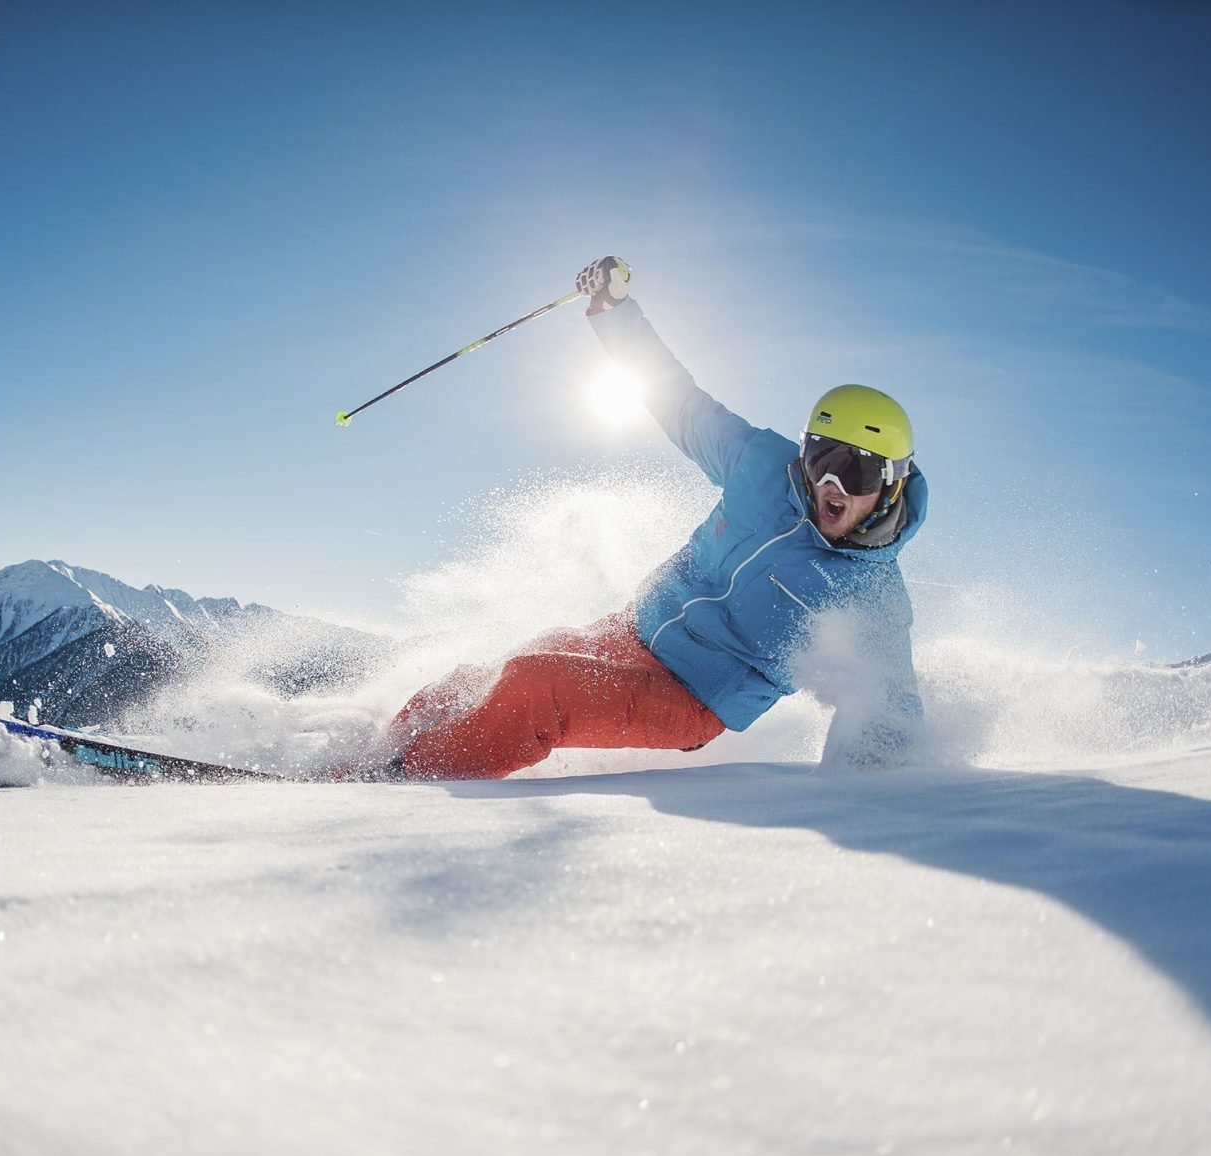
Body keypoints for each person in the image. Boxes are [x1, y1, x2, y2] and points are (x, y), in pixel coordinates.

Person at [380, 255, 928, 781]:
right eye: (821, 460)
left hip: (693, 695)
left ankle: (396, 781)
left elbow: (894, 709)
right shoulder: (761, 466)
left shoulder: (870, 592)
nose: (829, 484)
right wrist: (614, 310)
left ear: (890, 483)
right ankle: (377, 745)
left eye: (854, 473)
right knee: (490, 673)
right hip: (636, 626)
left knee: (535, 685)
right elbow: (676, 400)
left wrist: (887, 785)